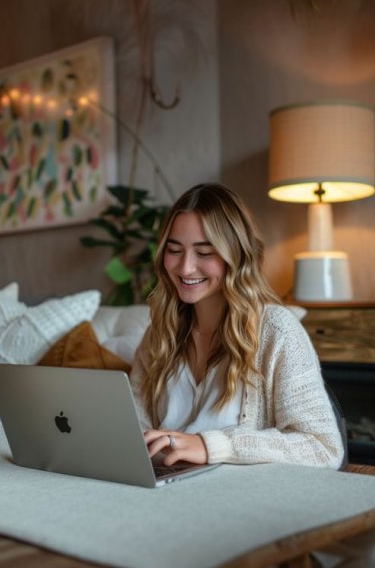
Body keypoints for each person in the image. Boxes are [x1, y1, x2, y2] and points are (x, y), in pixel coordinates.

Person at [129, 182, 345, 469]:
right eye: (174, 250)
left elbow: (323, 448)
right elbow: (136, 437)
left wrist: (212, 446)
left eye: (205, 253)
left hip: (239, 501)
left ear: (237, 255)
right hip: (167, 490)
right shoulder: (159, 333)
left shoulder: (277, 331)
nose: (185, 267)